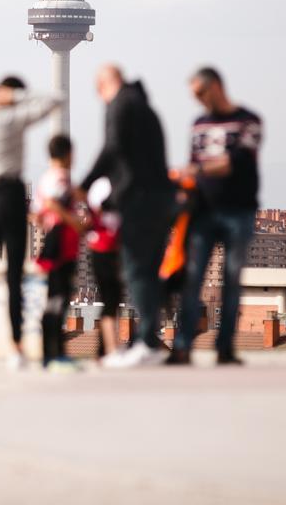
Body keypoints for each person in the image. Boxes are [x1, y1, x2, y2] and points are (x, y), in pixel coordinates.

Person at [0, 76, 61, 370]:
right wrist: (16, 98)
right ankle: (16, 348)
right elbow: (55, 99)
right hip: (12, 195)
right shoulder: (14, 119)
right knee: (15, 274)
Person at [79, 65, 174, 368]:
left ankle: (146, 343)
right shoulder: (147, 109)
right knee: (148, 270)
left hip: (139, 203)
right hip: (161, 200)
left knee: (136, 271)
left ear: (104, 86)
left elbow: (112, 149)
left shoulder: (120, 104)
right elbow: (135, 161)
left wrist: (84, 186)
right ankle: (150, 340)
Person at [168, 67, 263, 366]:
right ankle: (182, 346)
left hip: (238, 211)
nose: (198, 100)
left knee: (231, 280)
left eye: (200, 93)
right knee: (193, 279)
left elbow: (238, 162)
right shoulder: (198, 124)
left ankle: (225, 347)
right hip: (203, 213)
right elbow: (194, 165)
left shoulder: (248, 121)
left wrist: (196, 170)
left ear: (216, 86)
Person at [33, 135, 86, 372]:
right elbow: (53, 204)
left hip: (57, 245)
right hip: (61, 246)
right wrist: (74, 222)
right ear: (67, 154)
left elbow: (37, 213)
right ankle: (54, 354)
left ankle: (52, 354)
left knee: (56, 299)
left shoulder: (45, 179)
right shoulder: (60, 178)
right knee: (58, 300)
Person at [84, 177, 123, 360]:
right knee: (110, 297)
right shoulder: (102, 185)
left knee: (114, 297)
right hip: (102, 248)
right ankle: (110, 348)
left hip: (113, 247)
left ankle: (105, 348)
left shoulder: (111, 183)